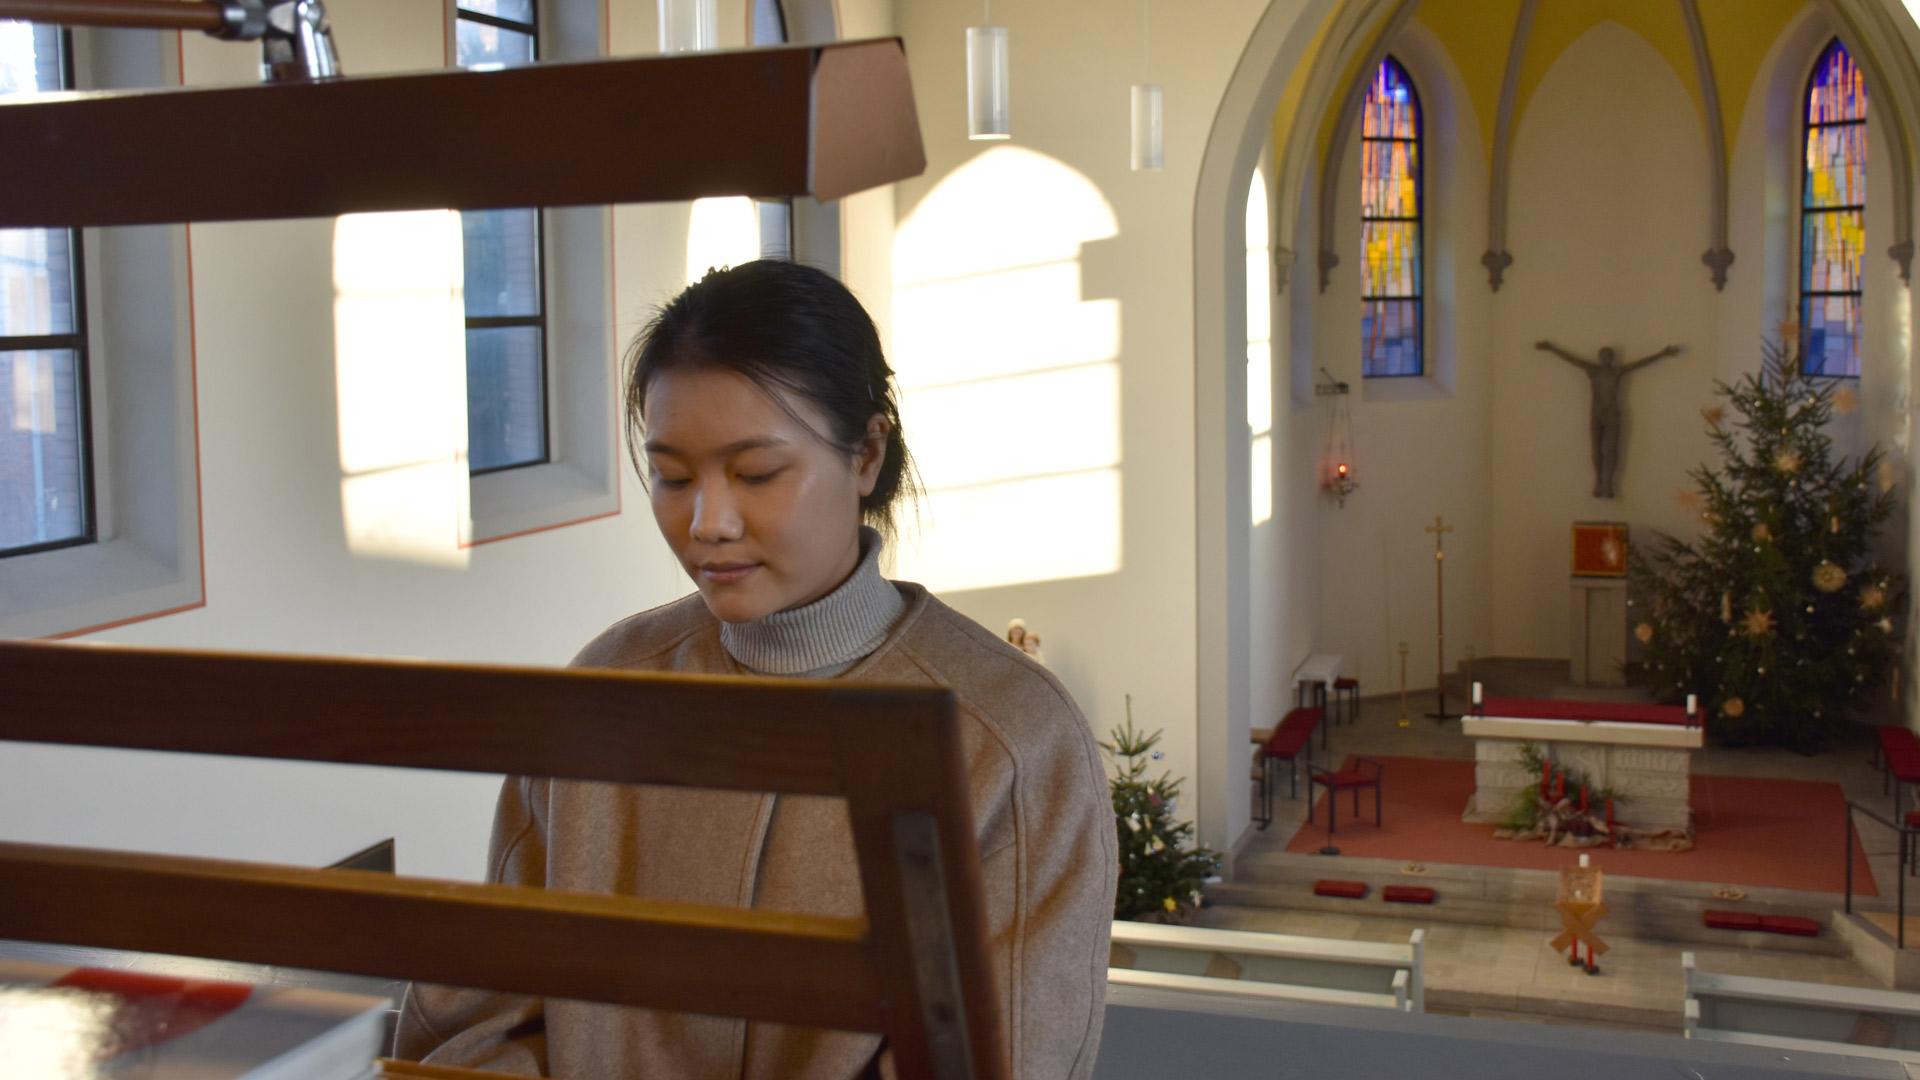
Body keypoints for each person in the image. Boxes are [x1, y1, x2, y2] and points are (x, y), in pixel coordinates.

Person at [395, 260, 1116, 1078]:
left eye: (756, 474)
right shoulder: (605, 690)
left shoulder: (1010, 739)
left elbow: (1006, 1059)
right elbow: (484, 1021)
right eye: (671, 476)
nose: (706, 522)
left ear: (866, 454)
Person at [1535, 339, 1681, 499]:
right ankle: (1598, 481)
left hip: (1612, 414)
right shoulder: (1592, 370)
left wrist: (1662, 354)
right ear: (1599, 357)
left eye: (1609, 355)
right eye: (1603, 355)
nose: (1606, 358)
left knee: (1611, 450)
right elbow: (1571, 359)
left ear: (1612, 358)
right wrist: (1551, 348)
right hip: (1596, 413)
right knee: (1596, 448)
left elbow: (1639, 364)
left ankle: (1608, 484)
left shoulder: (1617, 372)